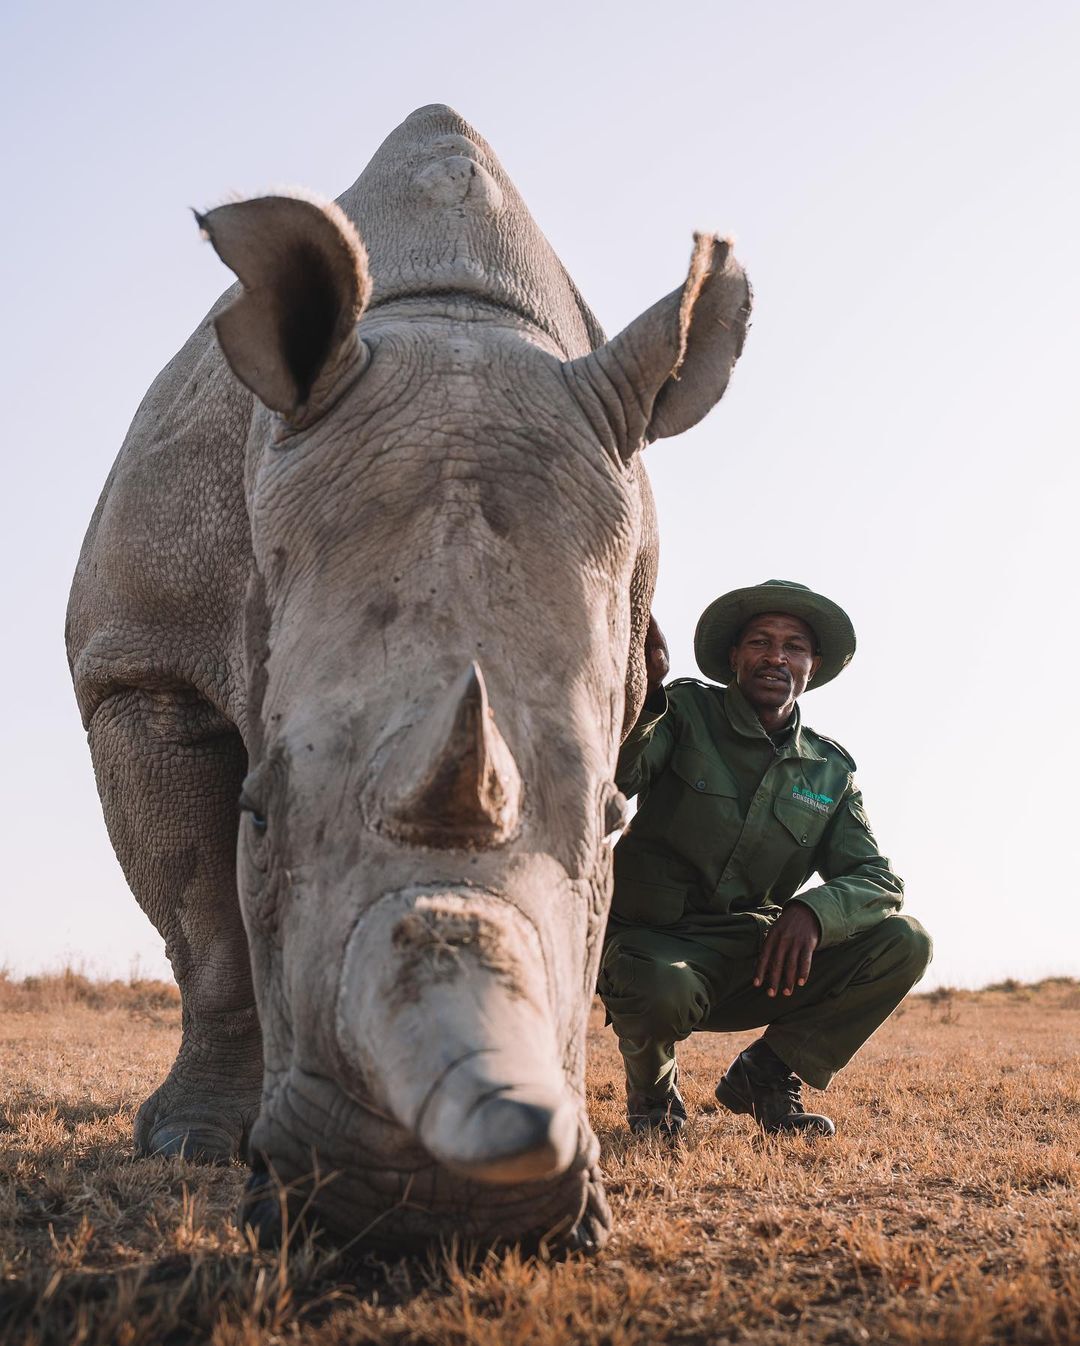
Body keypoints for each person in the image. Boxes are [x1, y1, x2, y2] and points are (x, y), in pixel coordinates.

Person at [598, 579, 931, 1138]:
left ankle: (766, 1075)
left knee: (905, 941)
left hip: (757, 954)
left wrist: (813, 913)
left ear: (812, 665)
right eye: (760, 641)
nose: (776, 655)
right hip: (656, 945)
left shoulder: (829, 771)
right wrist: (644, 694)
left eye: (793, 646)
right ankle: (654, 1101)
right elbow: (620, 776)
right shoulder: (681, 711)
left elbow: (877, 878)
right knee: (661, 986)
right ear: (734, 656)